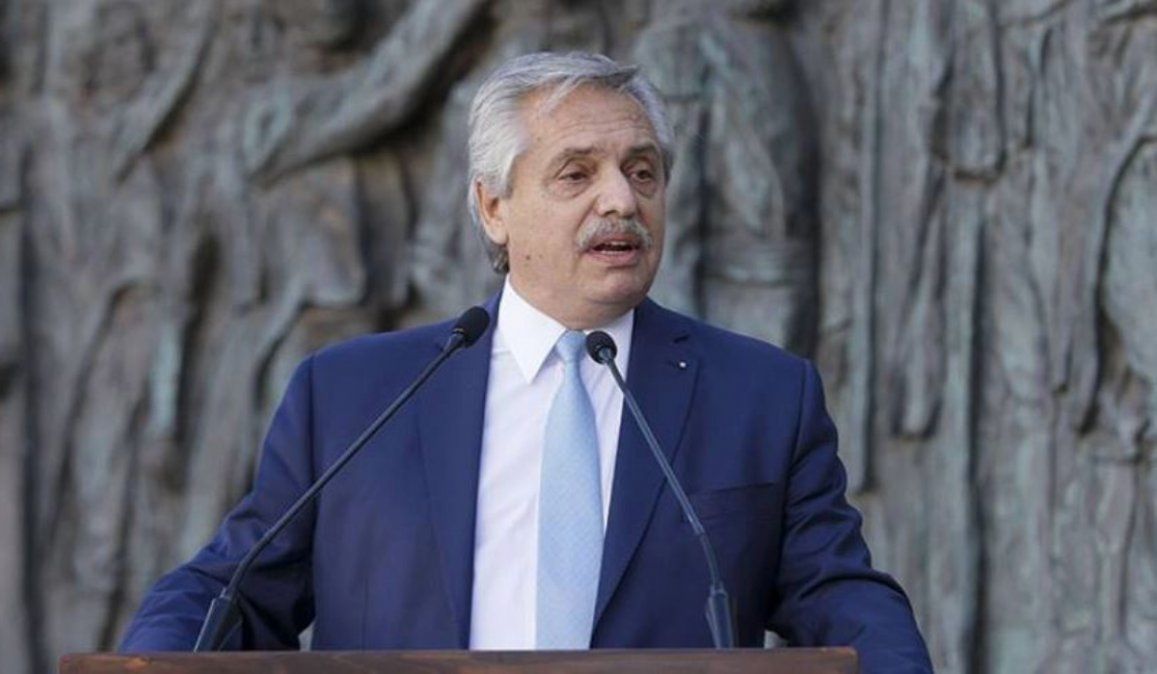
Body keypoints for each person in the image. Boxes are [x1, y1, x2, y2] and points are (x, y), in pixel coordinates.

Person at [120, 51, 933, 673]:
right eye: (576, 173)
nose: (620, 200)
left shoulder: (761, 395)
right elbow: (231, 588)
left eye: (641, 171)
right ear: (493, 207)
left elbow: (836, 592)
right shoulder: (352, 394)